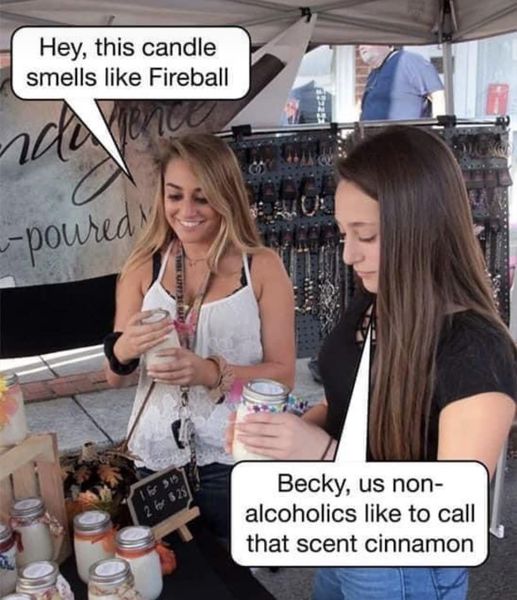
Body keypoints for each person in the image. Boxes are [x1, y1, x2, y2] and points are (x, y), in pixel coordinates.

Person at [229, 126, 517, 599]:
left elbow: (451, 511)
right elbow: (345, 401)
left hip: (405, 568)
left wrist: (323, 454)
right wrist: (281, 433)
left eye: (366, 235)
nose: (348, 254)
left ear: (421, 228)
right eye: (344, 234)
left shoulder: (476, 350)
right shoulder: (374, 300)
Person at [104, 133, 295, 545]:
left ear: (226, 196)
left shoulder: (261, 267)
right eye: (175, 196)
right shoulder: (143, 266)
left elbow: (283, 376)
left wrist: (210, 373)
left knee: (234, 569)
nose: (186, 211)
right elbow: (115, 377)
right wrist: (124, 349)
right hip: (156, 460)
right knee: (168, 567)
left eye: (202, 198)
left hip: (234, 457)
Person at [359, 45, 445, 120]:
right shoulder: (373, 75)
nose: (361, 47)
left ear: (384, 42)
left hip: (406, 133)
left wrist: (439, 129)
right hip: (375, 133)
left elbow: (438, 95)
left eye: (366, 42)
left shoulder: (408, 60)